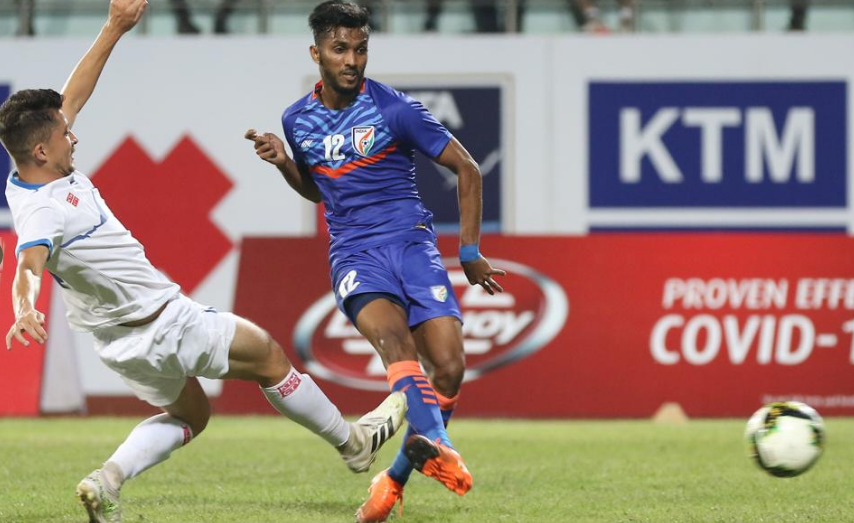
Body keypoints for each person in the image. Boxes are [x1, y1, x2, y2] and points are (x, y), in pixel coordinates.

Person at [0, 1, 406, 521]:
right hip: (161, 321)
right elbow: (27, 263)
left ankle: (106, 480)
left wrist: (115, 26)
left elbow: (74, 94)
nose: (72, 133)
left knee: (191, 413)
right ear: (40, 150)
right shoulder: (43, 211)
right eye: (63, 134)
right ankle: (352, 444)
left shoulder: (35, 170)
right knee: (268, 357)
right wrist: (24, 307)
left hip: (118, 344)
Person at [245, 1, 506, 521]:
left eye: (361, 49)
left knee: (450, 369)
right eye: (341, 49)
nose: (352, 60)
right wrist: (285, 164)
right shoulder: (297, 119)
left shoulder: (396, 109)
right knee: (395, 344)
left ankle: (392, 483)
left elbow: (468, 168)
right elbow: (319, 192)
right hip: (355, 253)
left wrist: (470, 251)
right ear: (316, 52)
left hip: (412, 245)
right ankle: (440, 447)